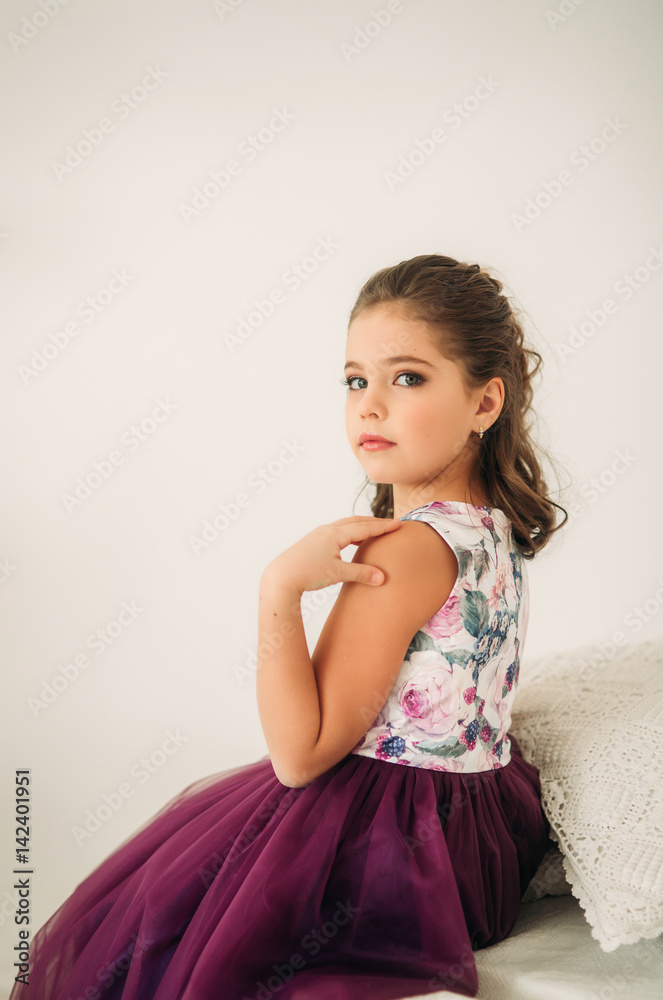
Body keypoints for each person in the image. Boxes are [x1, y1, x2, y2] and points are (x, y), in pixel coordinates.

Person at [12, 253, 568, 1000]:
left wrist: (277, 589)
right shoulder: (494, 532)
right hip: (474, 840)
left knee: (167, 930)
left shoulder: (408, 548)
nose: (369, 407)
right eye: (355, 380)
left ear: (484, 402)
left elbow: (300, 757)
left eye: (407, 378)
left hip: (394, 849)